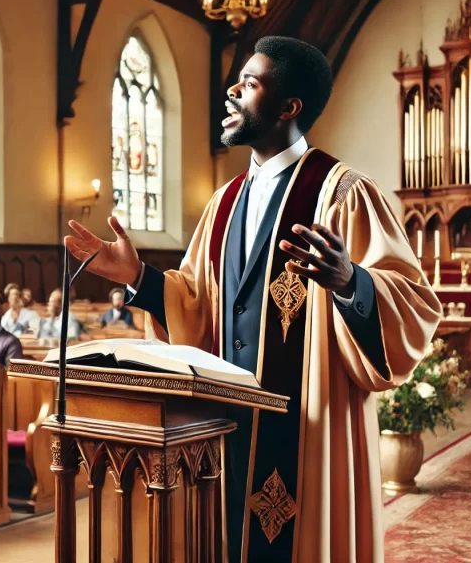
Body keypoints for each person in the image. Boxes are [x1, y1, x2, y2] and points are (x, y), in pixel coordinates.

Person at [64, 36, 442, 563]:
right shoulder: (223, 204)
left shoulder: (343, 194)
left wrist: (351, 281)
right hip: (228, 427)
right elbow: (197, 300)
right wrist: (141, 278)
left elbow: (416, 303)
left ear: (290, 107)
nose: (232, 92)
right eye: (237, 80)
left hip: (309, 427)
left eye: (251, 83)